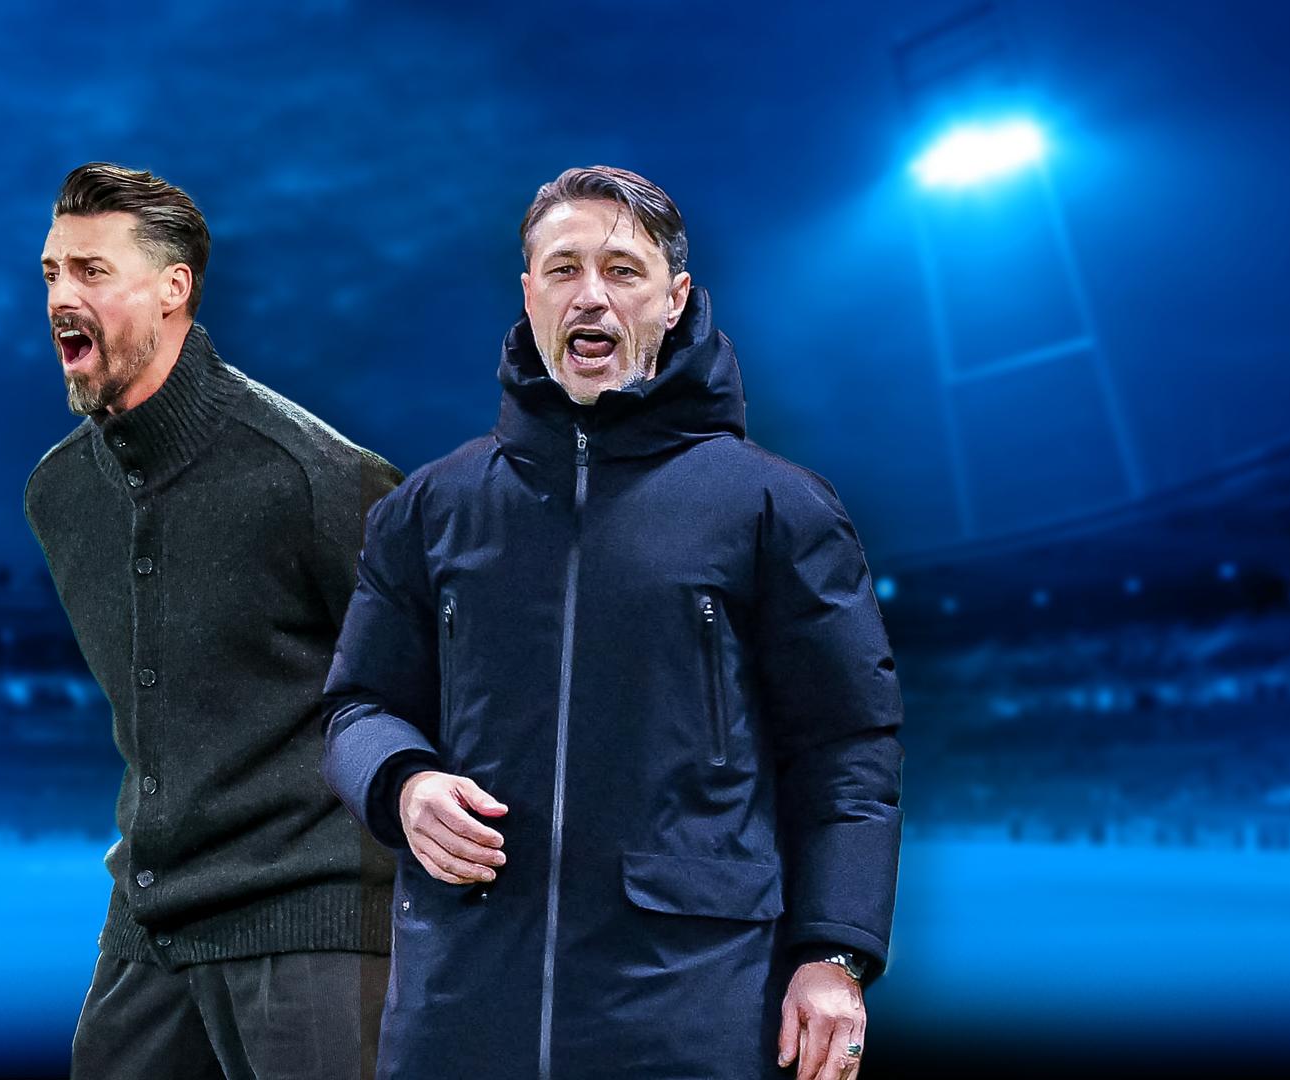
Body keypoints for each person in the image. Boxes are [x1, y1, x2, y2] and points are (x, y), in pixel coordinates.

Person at [320, 165, 904, 1080]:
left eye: (623, 271)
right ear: (528, 294)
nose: (591, 296)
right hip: (462, 1000)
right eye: (563, 269)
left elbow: (847, 747)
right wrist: (401, 784)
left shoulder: (777, 508)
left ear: (674, 300)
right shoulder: (429, 509)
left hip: (688, 1004)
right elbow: (356, 706)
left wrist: (833, 954)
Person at [24, 162, 403, 1080]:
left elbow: (430, 690)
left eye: (91, 271)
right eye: (50, 273)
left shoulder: (319, 477)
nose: (61, 296)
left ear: (173, 291)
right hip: (150, 926)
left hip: (310, 921)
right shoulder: (59, 495)